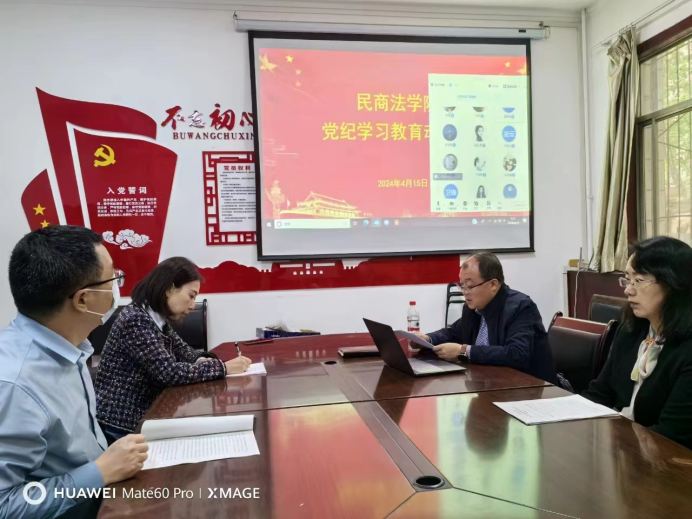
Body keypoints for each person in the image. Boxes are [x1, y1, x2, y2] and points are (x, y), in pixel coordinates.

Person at [0, 226, 148, 518]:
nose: (117, 286)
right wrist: (98, 473)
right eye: (113, 277)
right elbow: (5, 505)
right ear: (83, 300)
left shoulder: (71, 345)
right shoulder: (15, 384)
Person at [95, 257, 251, 441]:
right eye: (191, 296)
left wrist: (203, 361)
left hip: (147, 415)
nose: (192, 305)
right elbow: (169, 373)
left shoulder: (155, 318)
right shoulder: (136, 320)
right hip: (122, 424)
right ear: (170, 289)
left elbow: (185, 352)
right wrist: (223, 368)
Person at [582, 237, 692, 450]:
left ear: (674, 283)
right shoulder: (632, 330)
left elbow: (672, 435)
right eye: (627, 280)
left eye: (639, 280)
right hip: (624, 449)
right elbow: (600, 394)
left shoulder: (687, 348)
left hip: (665, 460)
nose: (628, 290)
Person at [415, 252, 557, 383]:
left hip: (531, 389)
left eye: (470, 285)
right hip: (492, 384)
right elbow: (454, 332)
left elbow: (516, 354)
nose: (465, 292)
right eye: (462, 285)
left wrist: (463, 351)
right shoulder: (473, 308)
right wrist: (427, 339)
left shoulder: (521, 307)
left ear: (493, 284)